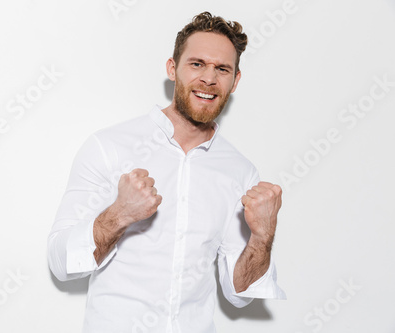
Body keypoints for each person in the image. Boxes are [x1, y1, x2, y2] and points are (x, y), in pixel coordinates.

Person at [48, 11, 286, 333]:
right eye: (197, 64)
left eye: (222, 69)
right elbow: (61, 263)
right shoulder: (109, 146)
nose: (209, 79)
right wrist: (119, 214)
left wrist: (263, 236)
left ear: (235, 81)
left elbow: (240, 292)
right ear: (173, 69)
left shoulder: (240, 171)